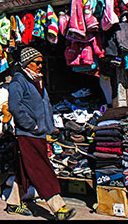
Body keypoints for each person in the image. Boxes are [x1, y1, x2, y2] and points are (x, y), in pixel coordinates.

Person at [6, 47, 76, 220]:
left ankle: (13, 203)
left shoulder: (38, 82)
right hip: (27, 133)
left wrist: (50, 126)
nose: (40, 66)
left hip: (39, 133)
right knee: (41, 169)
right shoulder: (18, 81)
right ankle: (58, 207)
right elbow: (15, 107)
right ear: (26, 63)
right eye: (37, 63)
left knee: (25, 169)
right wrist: (32, 125)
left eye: (41, 63)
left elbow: (47, 106)